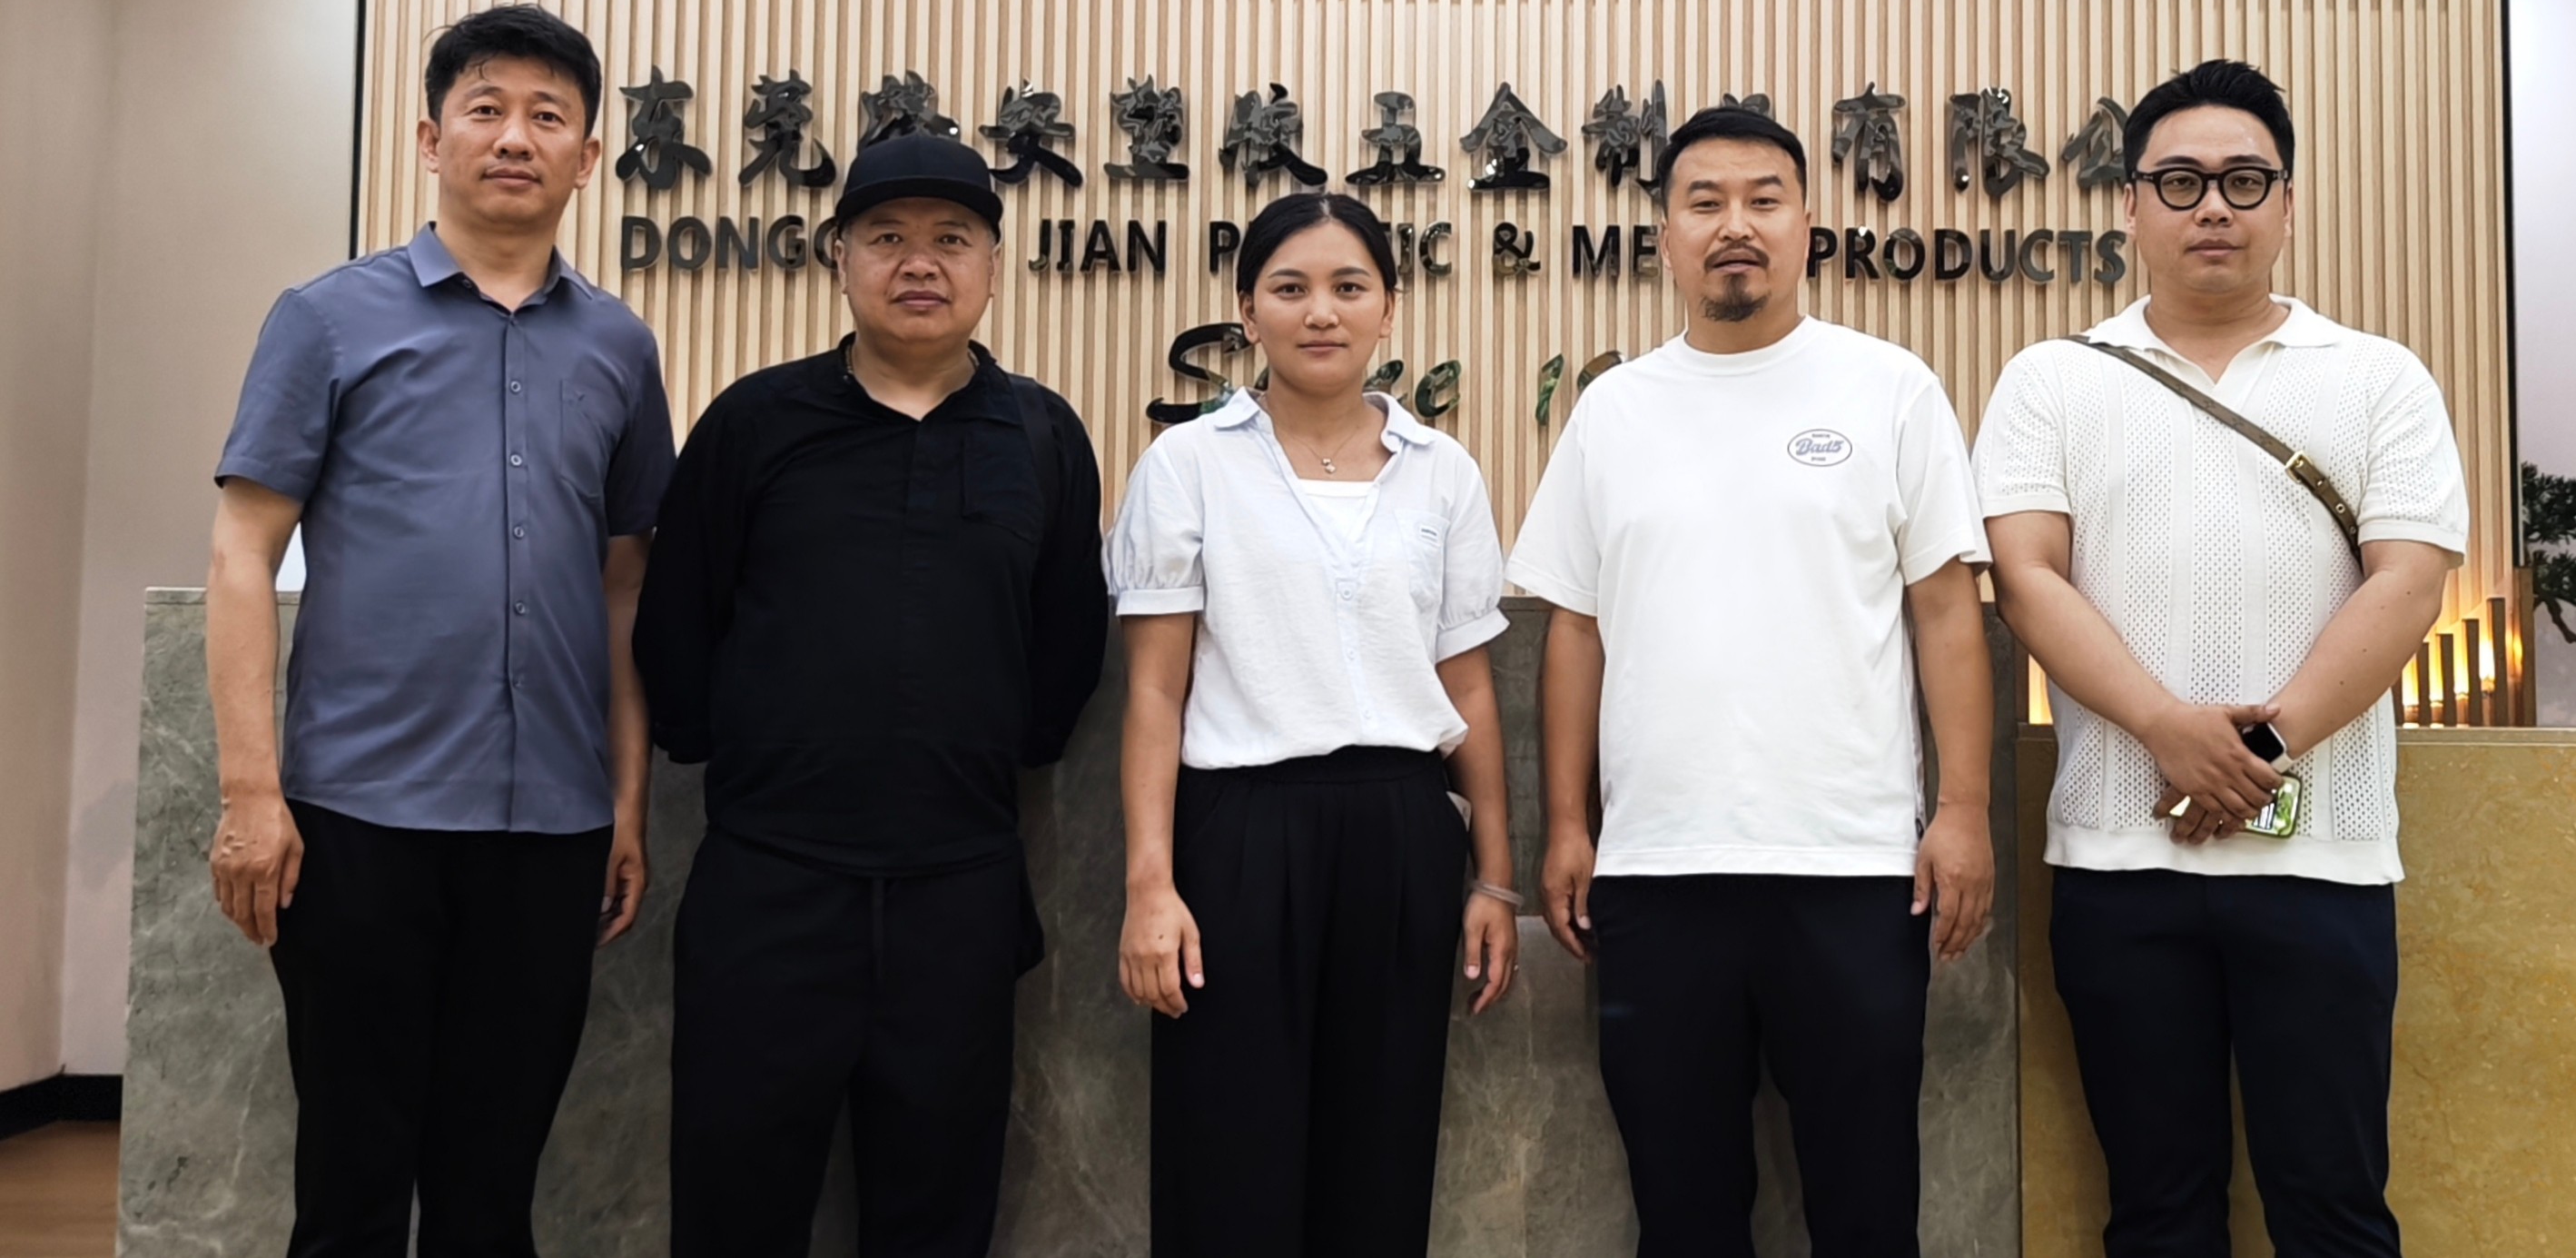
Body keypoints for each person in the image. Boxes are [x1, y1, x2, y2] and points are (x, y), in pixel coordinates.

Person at [1975, 58, 2467, 1258]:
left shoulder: (2377, 376)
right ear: (2129, 203)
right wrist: (2164, 725)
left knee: (2332, 1208)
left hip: (2322, 857)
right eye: (2180, 180)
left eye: (2244, 180)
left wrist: (2261, 742)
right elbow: (2026, 576)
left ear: (2286, 203)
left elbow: (2407, 580)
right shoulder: (2052, 378)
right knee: (2157, 1211)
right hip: (2118, 855)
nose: (2212, 205)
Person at [206, 3, 674, 1258]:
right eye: (486, 108)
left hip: (550, 827)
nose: (515, 136)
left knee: (491, 1189)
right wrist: (252, 793)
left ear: (587, 155)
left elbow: (625, 583)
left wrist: (626, 799)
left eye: (547, 115)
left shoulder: (620, 347)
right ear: (430, 137)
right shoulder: (326, 318)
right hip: (358, 817)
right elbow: (242, 552)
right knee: (351, 1187)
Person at [1512, 103, 1997, 1258]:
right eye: (1704, 201)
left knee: (1865, 1206)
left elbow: (1945, 610)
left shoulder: (1886, 388)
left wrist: (1964, 809)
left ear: (1806, 223)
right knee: (1682, 1211)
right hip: (1656, 870)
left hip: (1853, 868)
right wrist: (1569, 820)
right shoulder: (1613, 410)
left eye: (1762, 199)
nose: (1735, 224)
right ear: (1664, 235)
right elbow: (1573, 628)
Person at [635, 130, 1107, 1258]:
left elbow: (1065, 642)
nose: (919, 262)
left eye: (952, 238)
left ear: (992, 264)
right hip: (771, 878)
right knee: (734, 1205)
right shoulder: (754, 422)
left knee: (937, 1209)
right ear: (839, 256)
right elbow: (678, 619)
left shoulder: (1042, 434)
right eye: (886, 236)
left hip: (958, 883)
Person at [1111, 190, 1520, 1258]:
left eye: (1349, 286)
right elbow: (1153, 691)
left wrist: (1493, 877)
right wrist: (1149, 884)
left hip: (1401, 828)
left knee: (1379, 1152)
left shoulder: (1442, 471)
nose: (1320, 311)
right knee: (1226, 1154)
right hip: (1238, 834)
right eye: (1289, 288)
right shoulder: (1189, 464)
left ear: (1389, 305)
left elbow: (1469, 688)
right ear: (1247, 309)